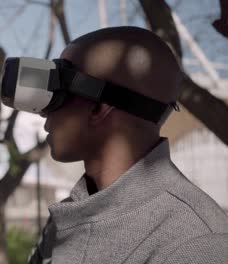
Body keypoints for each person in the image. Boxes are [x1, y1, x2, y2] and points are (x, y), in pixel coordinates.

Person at [28, 26, 228, 263]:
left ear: (97, 107)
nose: (43, 113)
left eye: (57, 93)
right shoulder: (68, 216)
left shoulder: (195, 242)